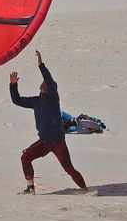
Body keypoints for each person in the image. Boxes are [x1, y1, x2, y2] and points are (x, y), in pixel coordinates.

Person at [9, 51, 88, 195]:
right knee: (25, 157)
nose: (45, 83)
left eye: (48, 83)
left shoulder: (53, 98)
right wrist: (13, 85)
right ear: (40, 87)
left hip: (58, 142)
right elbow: (17, 100)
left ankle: (85, 190)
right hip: (44, 142)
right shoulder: (35, 101)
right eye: (44, 83)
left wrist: (40, 65)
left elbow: (49, 80)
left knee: (69, 169)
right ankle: (30, 187)